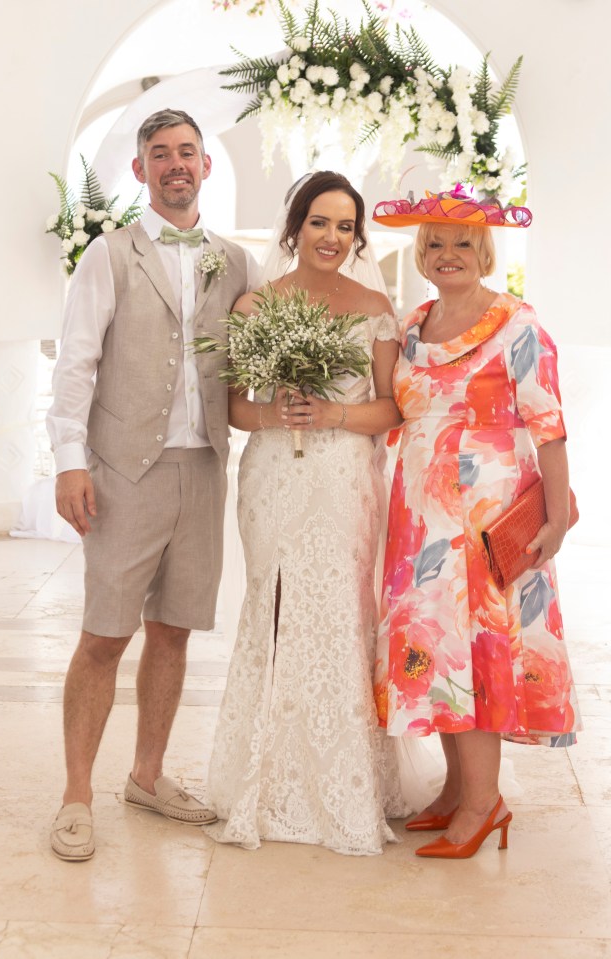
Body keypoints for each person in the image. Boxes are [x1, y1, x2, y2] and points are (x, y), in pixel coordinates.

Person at [46, 108, 260, 861]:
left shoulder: (236, 262)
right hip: (121, 469)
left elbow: (253, 357)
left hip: (202, 466)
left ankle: (147, 774)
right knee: (104, 634)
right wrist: (70, 459)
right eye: (160, 153)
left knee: (173, 630)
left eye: (188, 153)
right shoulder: (108, 254)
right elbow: (76, 362)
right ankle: (77, 794)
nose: (176, 164)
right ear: (139, 170)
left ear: (207, 167)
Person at [371, 188, 581, 859]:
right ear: (421, 254)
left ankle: (483, 803)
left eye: (462, 243)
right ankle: (457, 787)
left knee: (479, 651)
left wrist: (557, 514)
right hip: (420, 517)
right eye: (434, 243)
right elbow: (396, 411)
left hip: (488, 516)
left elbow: (549, 428)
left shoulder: (518, 323)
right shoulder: (411, 324)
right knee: (432, 648)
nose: (448, 254)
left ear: (485, 251)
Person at [204, 171, 409, 855]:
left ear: (357, 236)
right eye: (319, 222)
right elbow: (235, 405)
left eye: (345, 226)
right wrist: (278, 411)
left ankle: (345, 778)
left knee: (339, 612)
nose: (332, 237)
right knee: (276, 604)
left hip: (346, 475)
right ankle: (264, 774)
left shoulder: (375, 305)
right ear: (293, 228)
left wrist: (332, 413)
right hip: (272, 474)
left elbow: (392, 406)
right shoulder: (256, 306)